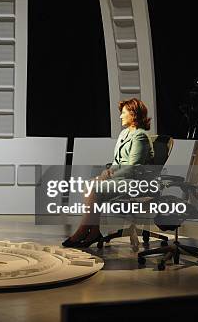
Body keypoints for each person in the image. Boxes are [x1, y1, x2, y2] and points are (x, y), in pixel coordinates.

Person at [62, 98, 154, 248]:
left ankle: (83, 230)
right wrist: (108, 171)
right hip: (121, 178)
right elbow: (117, 162)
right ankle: (94, 231)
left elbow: (132, 167)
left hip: (134, 182)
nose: (120, 116)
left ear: (134, 114)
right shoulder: (124, 134)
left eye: (124, 112)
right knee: (90, 184)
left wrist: (109, 176)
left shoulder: (140, 136)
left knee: (95, 187)